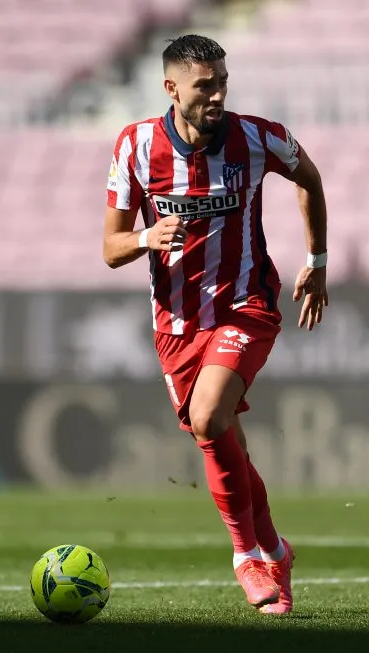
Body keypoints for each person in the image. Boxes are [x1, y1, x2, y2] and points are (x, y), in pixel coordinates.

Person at [102, 34, 329, 615]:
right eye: (205, 84)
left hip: (246, 304)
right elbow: (109, 248)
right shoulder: (134, 147)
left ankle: (246, 555)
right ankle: (276, 549)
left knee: (208, 417)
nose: (218, 93)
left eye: (222, 81)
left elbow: (311, 180)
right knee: (224, 438)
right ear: (171, 88)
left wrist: (317, 263)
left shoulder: (257, 136)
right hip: (176, 321)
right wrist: (146, 238)